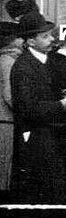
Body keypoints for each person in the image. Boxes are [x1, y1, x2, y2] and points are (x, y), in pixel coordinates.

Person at [10, 12, 66, 218]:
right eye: (45, 36)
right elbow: (26, 107)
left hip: (48, 136)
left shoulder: (45, 62)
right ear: (30, 40)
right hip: (34, 139)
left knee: (51, 191)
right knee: (32, 194)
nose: (51, 39)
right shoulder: (24, 67)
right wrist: (60, 104)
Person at [0, 21, 23, 196]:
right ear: (12, 40)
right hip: (5, 120)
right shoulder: (8, 62)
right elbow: (9, 95)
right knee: (4, 165)